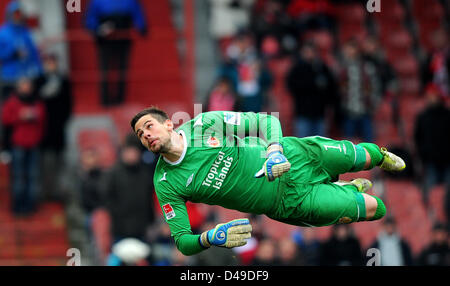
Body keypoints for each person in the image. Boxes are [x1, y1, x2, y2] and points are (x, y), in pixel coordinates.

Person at [130, 107, 406, 256]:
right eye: (140, 135)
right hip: (288, 202)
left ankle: (377, 156)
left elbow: (265, 122)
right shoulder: (166, 182)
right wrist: (209, 237)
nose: (146, 135)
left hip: (295, 156)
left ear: (168, 124)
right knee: (375, 208)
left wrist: (274, 151)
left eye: (149, 126)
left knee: (366, 156)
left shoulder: (204, 124)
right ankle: (343, 189)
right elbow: (182, 242)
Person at [0, 0, 43, 157]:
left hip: (26, 80)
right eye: (15, 14)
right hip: (9, 79)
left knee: (29, 114)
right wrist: (13, 53)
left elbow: (34, 54)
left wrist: (39, 71)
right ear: (10, 15)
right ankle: (5, 146)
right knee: (8, 113)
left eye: (20, 14)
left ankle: (29, 144)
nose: (18, 17)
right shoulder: (3, 33)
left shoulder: (26, 33)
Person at [84, 0, 147, 106]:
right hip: (105, 41)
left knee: (122, 69)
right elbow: (89, 20)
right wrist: (99, 28)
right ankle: (105, 100)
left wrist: (142, 28)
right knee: (105, 70)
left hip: (123, 39)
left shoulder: (130, 2)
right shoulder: (97, 2)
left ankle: (120, 100)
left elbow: (138, 16)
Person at [1, 77, 46, 216]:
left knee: (32, 175)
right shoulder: (13, 102)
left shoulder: (36, 101)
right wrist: (20, 116)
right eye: (23, 85)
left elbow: (42, 119)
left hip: (33, 144)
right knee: (19, 176)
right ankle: (18, 204)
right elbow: (6, 119)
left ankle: (31, 204)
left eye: (28, 85)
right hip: (18, 144)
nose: (26, 88)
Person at [103, 133, 156, 243]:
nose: (132, 155)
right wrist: (117, 213)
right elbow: (107, 198)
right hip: (120, 227)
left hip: (142, 227)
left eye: (134, 152)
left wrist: (151, 221)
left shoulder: (146, 173)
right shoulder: (113, 173)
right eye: (129, 152)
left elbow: (149, 199)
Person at [38, 53, 73, 202]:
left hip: (58, 130)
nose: (50, 66)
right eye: (48, 63)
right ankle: (46, 191)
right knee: (45, 163)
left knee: (60, 163)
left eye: (52, 63)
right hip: (43, 131)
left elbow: (69, 105)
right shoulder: (39, 82)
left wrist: (62, 122)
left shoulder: (64, 82)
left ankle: (58, 191)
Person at [286, 41, 339, 138]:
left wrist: (328, 103)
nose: (309, 54)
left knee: (321, 146)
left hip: (320, 113)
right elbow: (291, 86)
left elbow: (331, 88)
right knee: (302, 144)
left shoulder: (322, 68)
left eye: (311, 51)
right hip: (302, 113)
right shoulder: (297, 68)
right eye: (307, 51)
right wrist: (312, 85)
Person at [414, 83, 450, 208]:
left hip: (447, 161)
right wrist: (423, 154)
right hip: (430, 162)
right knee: (430, 196)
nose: (430, 98)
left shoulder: (447, 116)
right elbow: (417, 138)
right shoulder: (423, 117)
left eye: (433, 95)